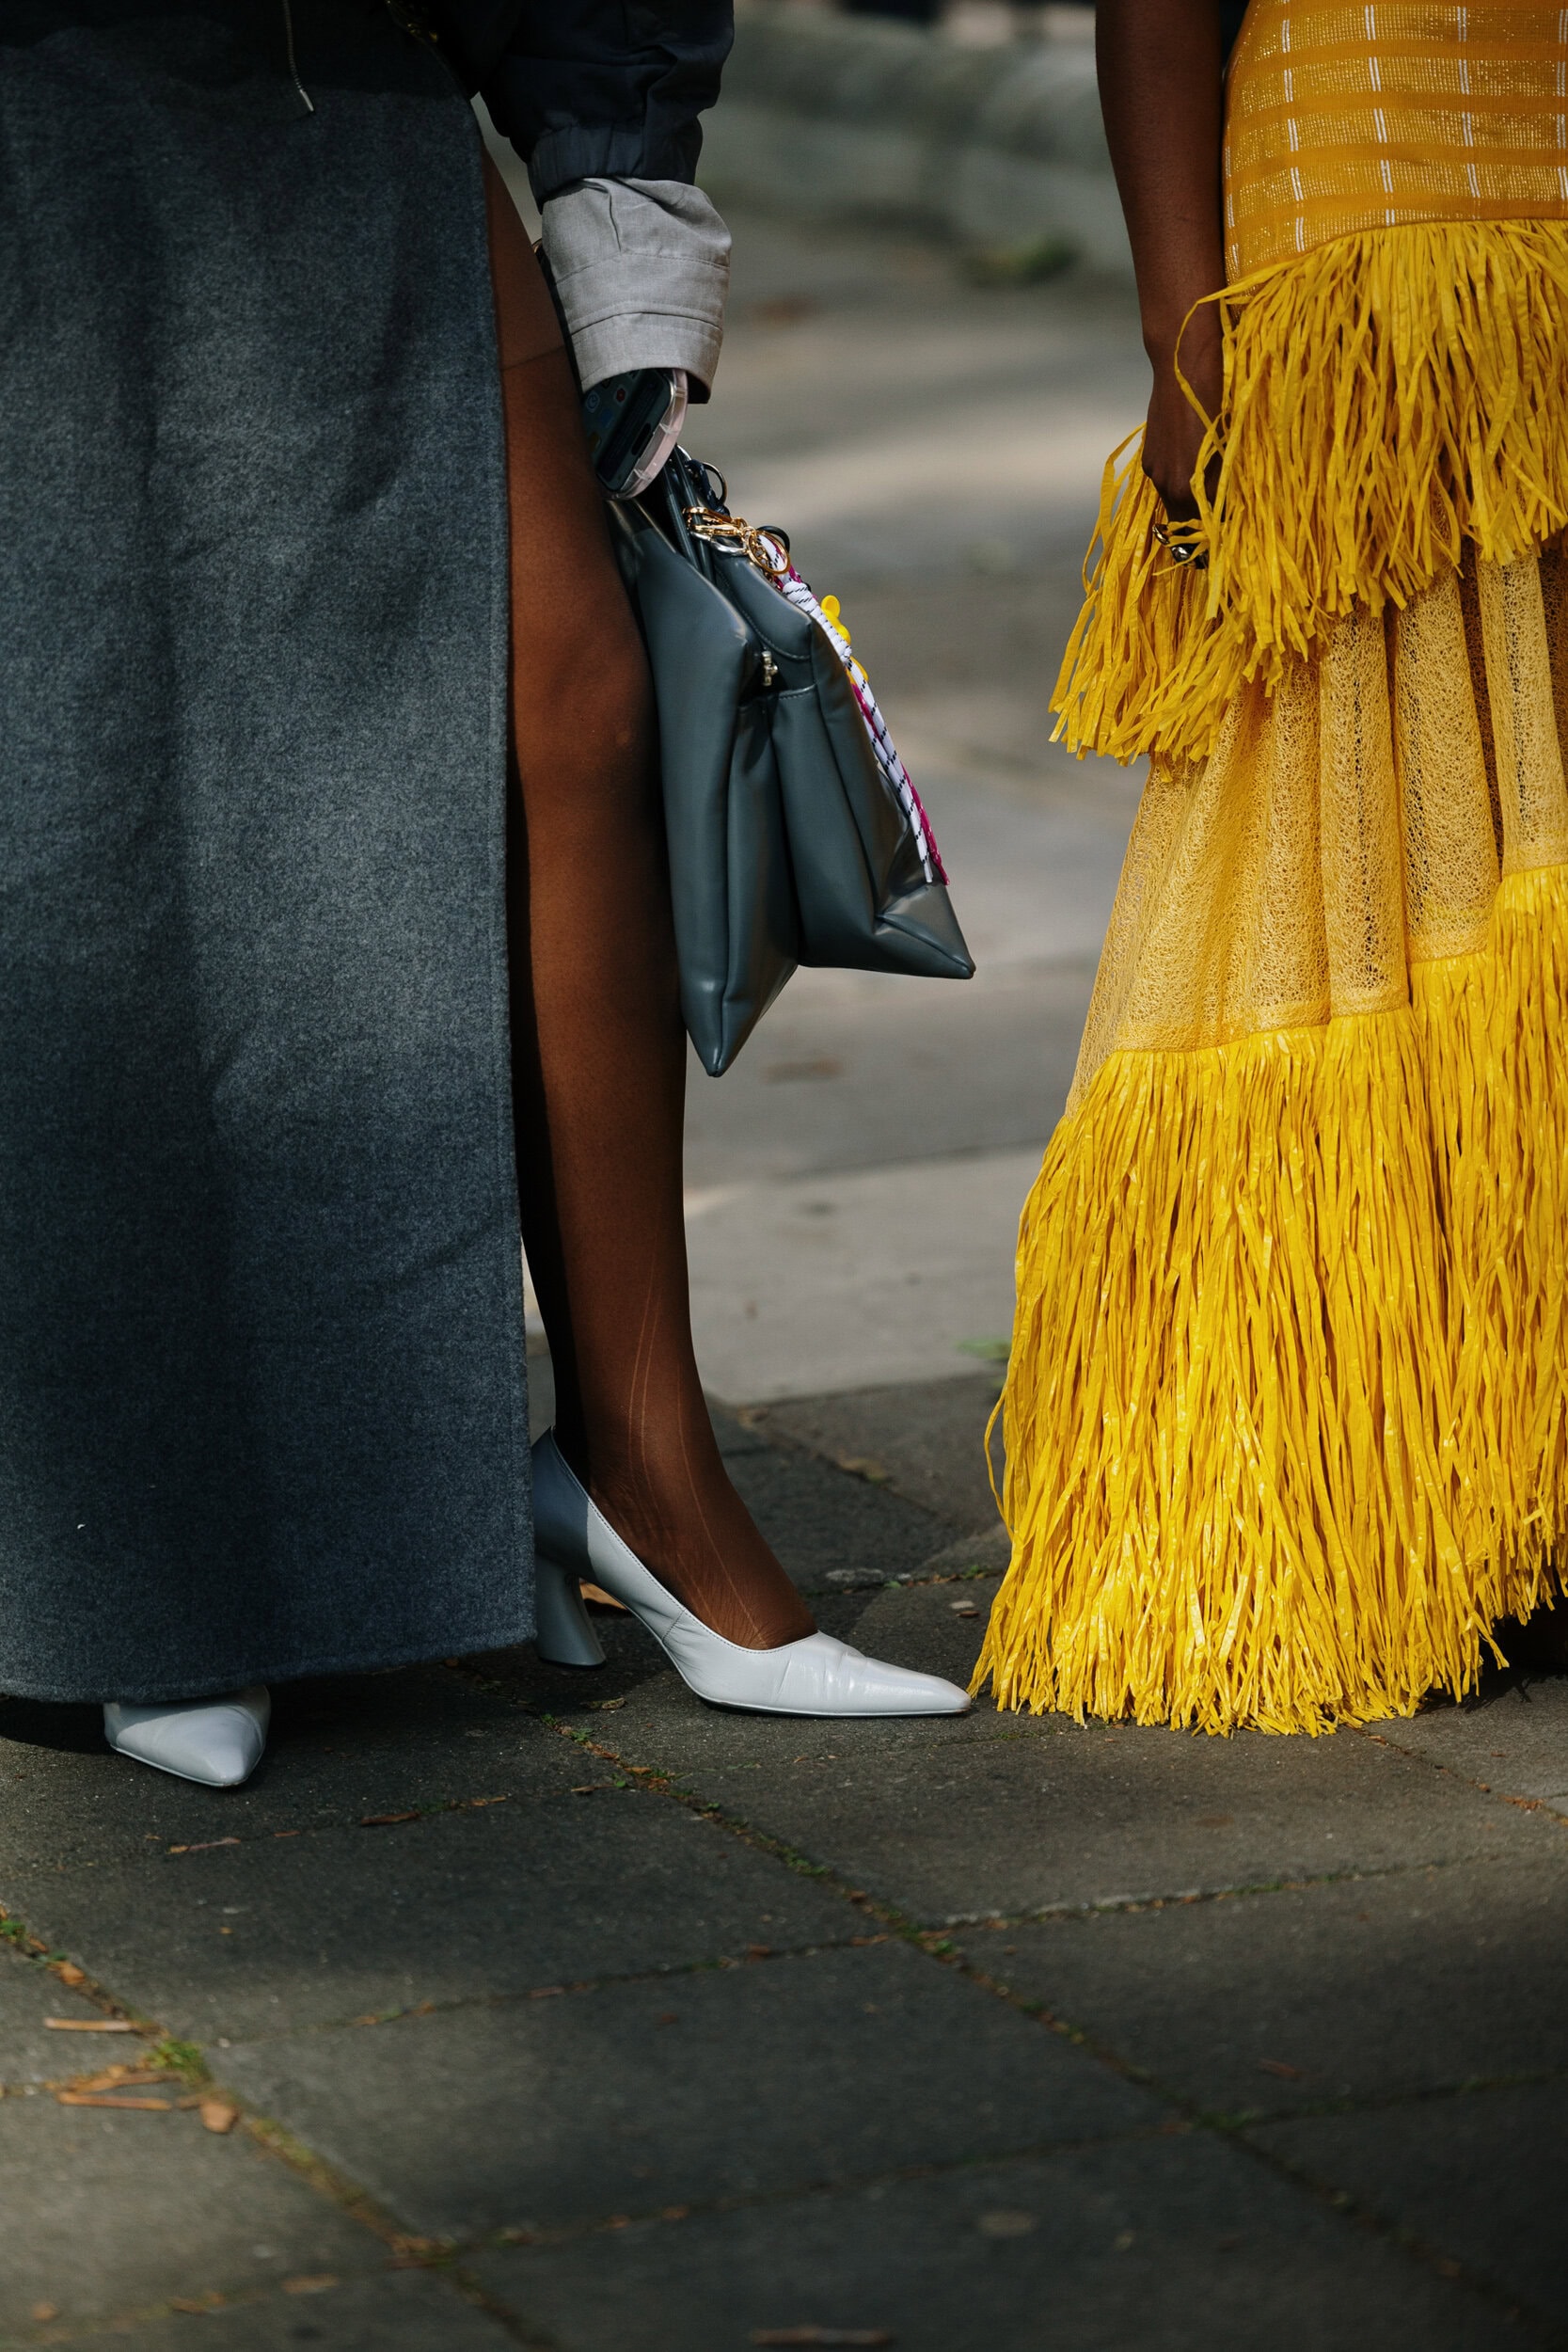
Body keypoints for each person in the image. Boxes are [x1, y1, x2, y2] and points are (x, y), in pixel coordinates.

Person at [0, 0, 967, 1791]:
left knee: (581, 703)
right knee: (111, 779)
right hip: (50, 111)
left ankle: (639, 1467)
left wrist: (618, 176)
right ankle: (164, 1569)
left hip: (364, 81)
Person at [977, 0, 1568, 1733]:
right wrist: (1187, 336)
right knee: (1374, 876)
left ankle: (1526, 1470)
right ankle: (1373, 1496)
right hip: (1367, 252)